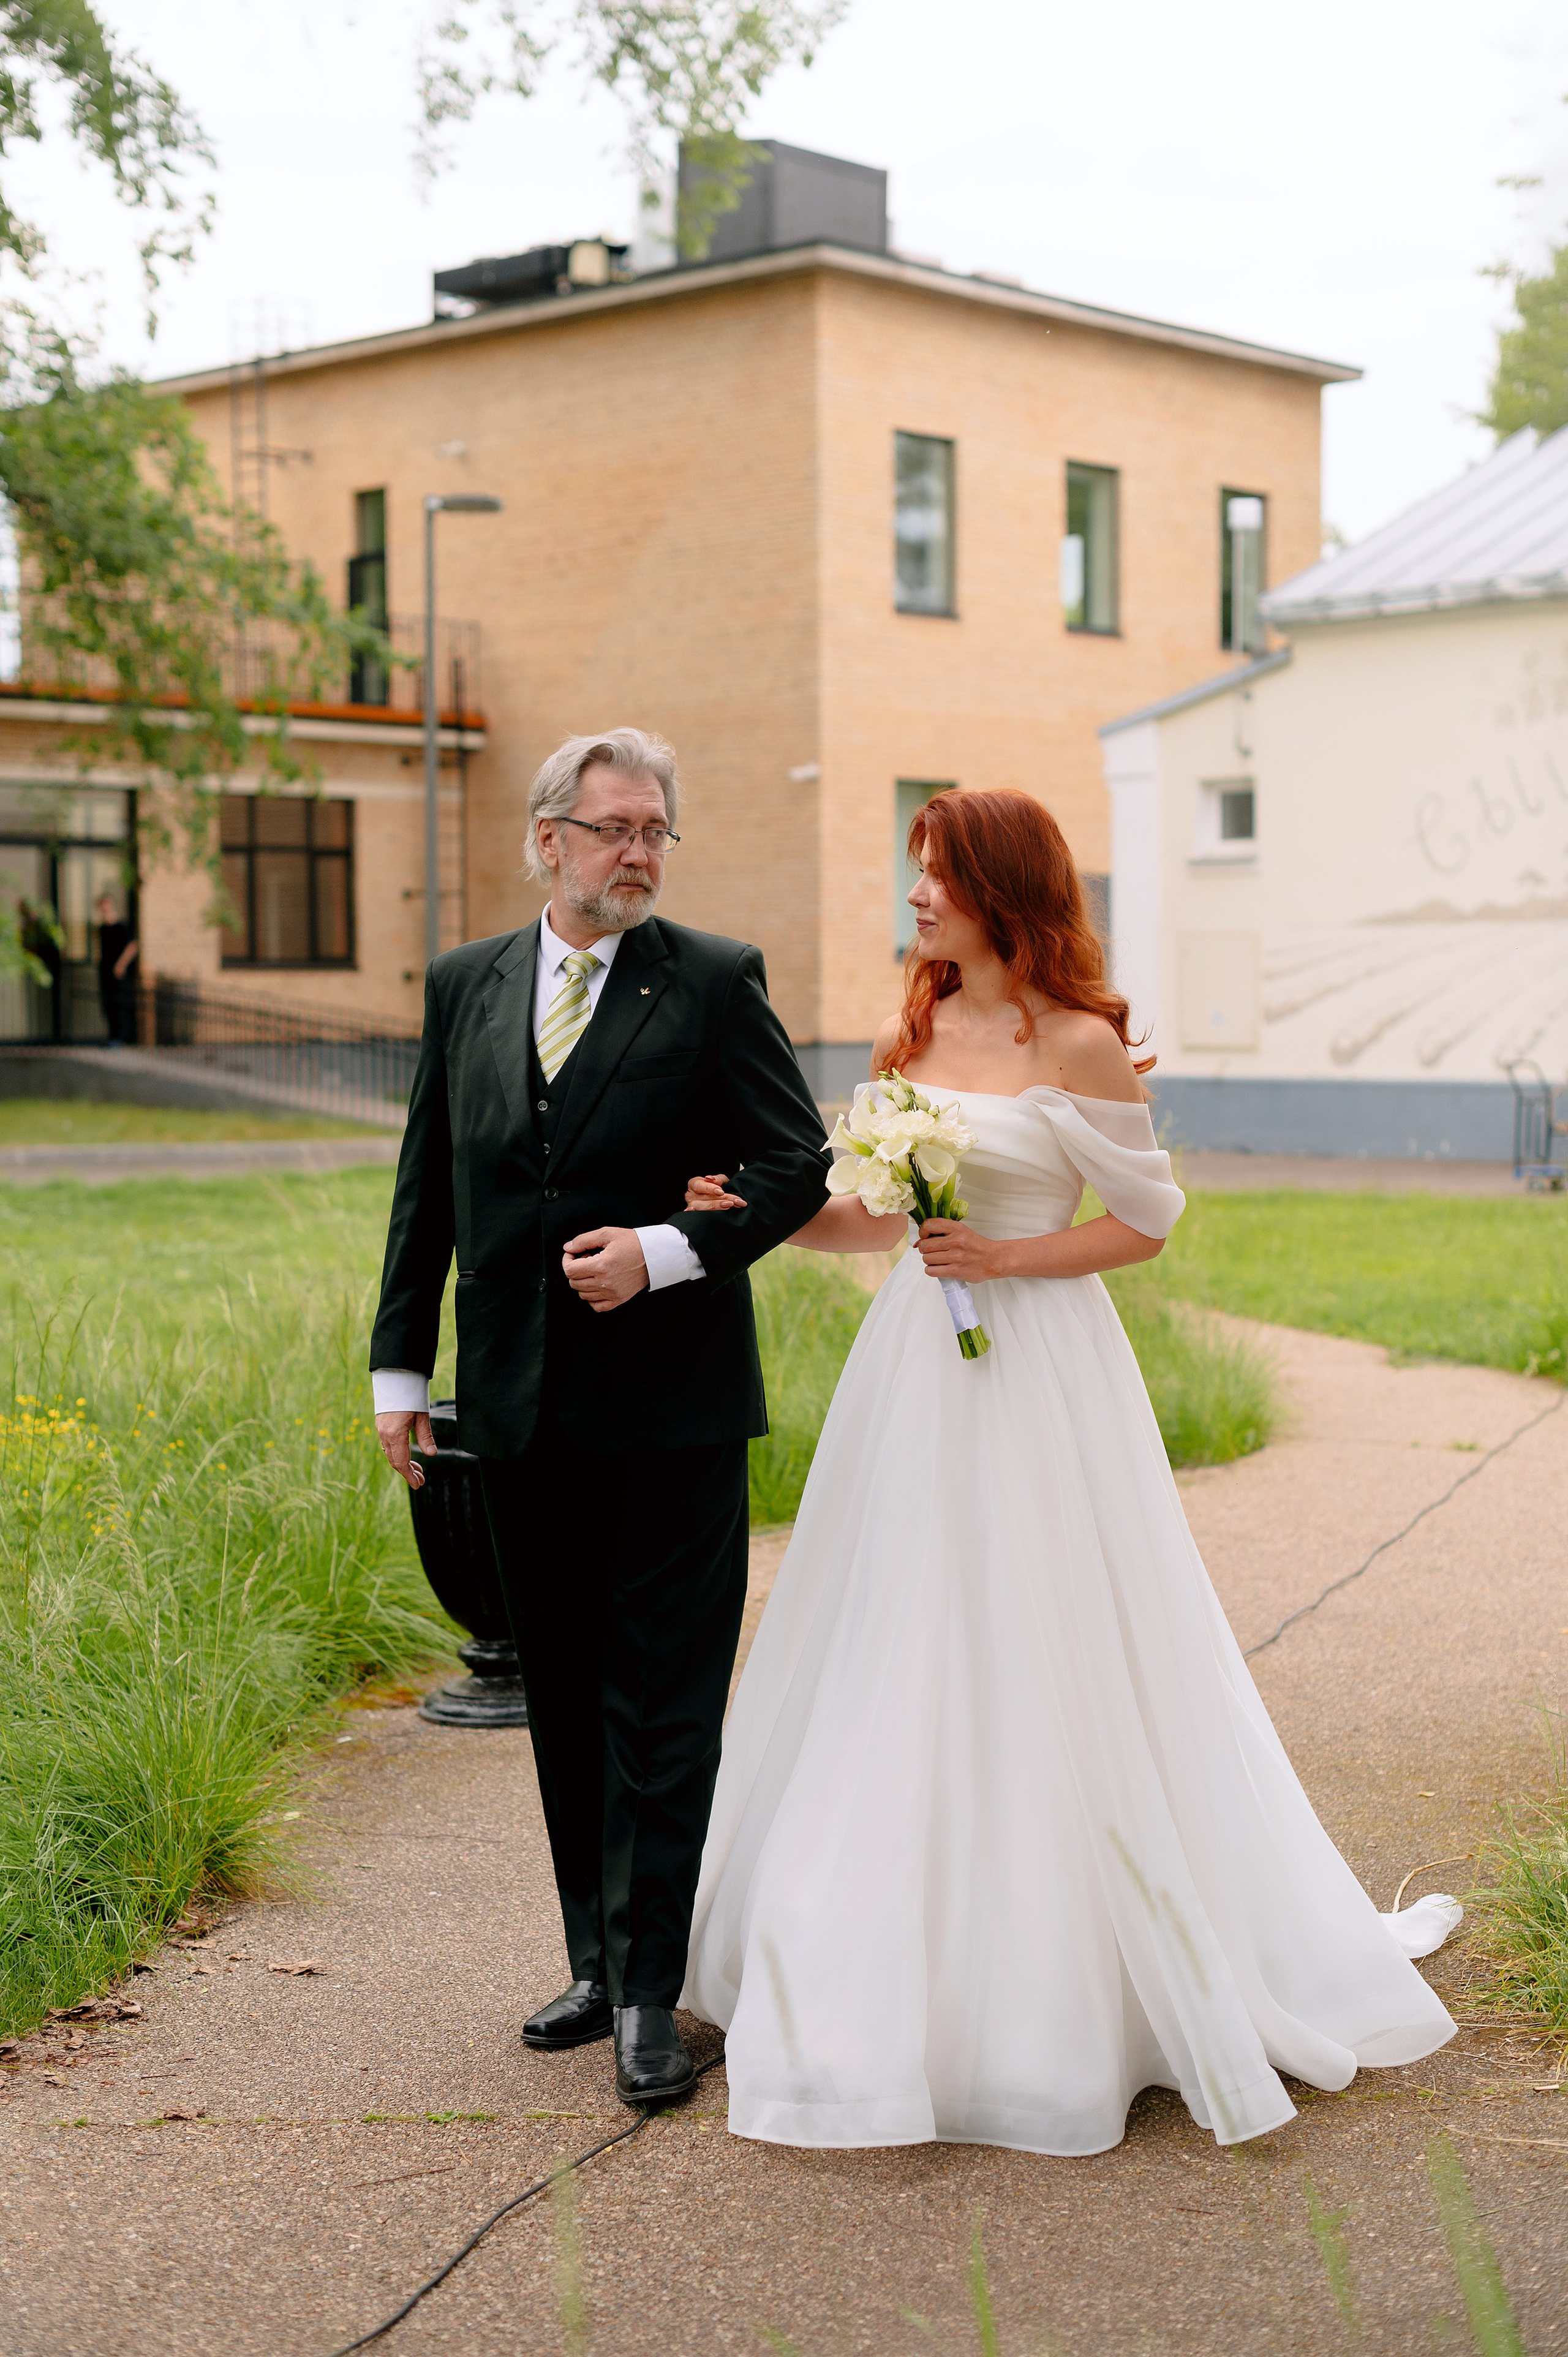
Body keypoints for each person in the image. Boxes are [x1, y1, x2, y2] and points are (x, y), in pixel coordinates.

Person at [680, 786, 1459, 2155]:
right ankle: (863, 1956)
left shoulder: (1081, 1041)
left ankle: (1082, 1977)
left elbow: (1145, 1225)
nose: (916, 896)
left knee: (1055, 1631)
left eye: (937, 874)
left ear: (1002, 888)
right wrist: (766, 1217)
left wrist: (1005, 1256)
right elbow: (871, 1219)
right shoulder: (911, 1026)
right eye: (915, 871)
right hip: (915, 1371)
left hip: (1042, 1368)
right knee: (897, 1629)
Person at [369, 728, 829, 2106]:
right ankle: (594, 1957)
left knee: (663, 1703)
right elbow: (429, 1188)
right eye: (614, 827)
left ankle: (649, 1993)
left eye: (654, 830)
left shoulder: (714, 979)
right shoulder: (467, 984)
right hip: (518, 1406)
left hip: (674, 1408)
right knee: (564, 1696)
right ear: (547, 838)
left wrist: (665, 1250)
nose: (637, 852)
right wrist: (400, 1373)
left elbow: (795, 1164)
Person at [95, 894, 138, 1044]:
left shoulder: (121, 927)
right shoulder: (102, 928)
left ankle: (123, 1037)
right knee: (108, 1005)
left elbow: (133, 945)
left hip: (119, 974)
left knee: (120, 1004)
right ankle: (113, 1036)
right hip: (106, 972)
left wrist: (121, 964)